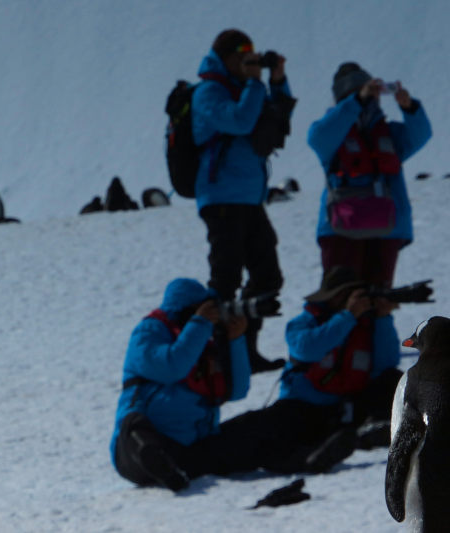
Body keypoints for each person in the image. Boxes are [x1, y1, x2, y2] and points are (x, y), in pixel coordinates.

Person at [110, 278, 357, 491]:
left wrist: (235, 340)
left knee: (256, 426)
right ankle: (158, 464)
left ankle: (306, 459)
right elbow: (172, 366)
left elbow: (237, 390)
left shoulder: (201, 342)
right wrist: (199, 324)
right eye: (203, 310)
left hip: (193, 449)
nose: (211, 316)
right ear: (183, 311)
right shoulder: (149, 331)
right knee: (134, 427)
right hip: (133, 453)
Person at [191, 28, 292, 372]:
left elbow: (276, 126)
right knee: (225, 278)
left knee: (267, 275)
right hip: (220, 198)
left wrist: (277, 82)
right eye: (241, 57)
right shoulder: (209, 92)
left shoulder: (246, 88)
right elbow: (239, 121)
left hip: (249, 198)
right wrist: (254, 83)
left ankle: (244, 349)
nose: (248, 63)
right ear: (226, 58)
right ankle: (217, 352)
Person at [307, 62, 431, 288]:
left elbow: (420, 136)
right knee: (340, 301)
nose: (372, 99)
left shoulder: (387, 133)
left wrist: (410, 108)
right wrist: (356, 103)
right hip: (341, 229)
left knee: (379, 304)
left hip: (385, 228)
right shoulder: (331, 132)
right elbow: (317, 138)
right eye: (363, 93)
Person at [280, 266, 404, 448]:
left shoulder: (367, 324)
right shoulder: (305, 322)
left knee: (393, 379)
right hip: (304, 405)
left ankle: (371, 431)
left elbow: (386, 364)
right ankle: (318, 449)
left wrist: (383, 318)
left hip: (348, 404)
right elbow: (307, 350)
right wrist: (348, 316)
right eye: (344, 294)